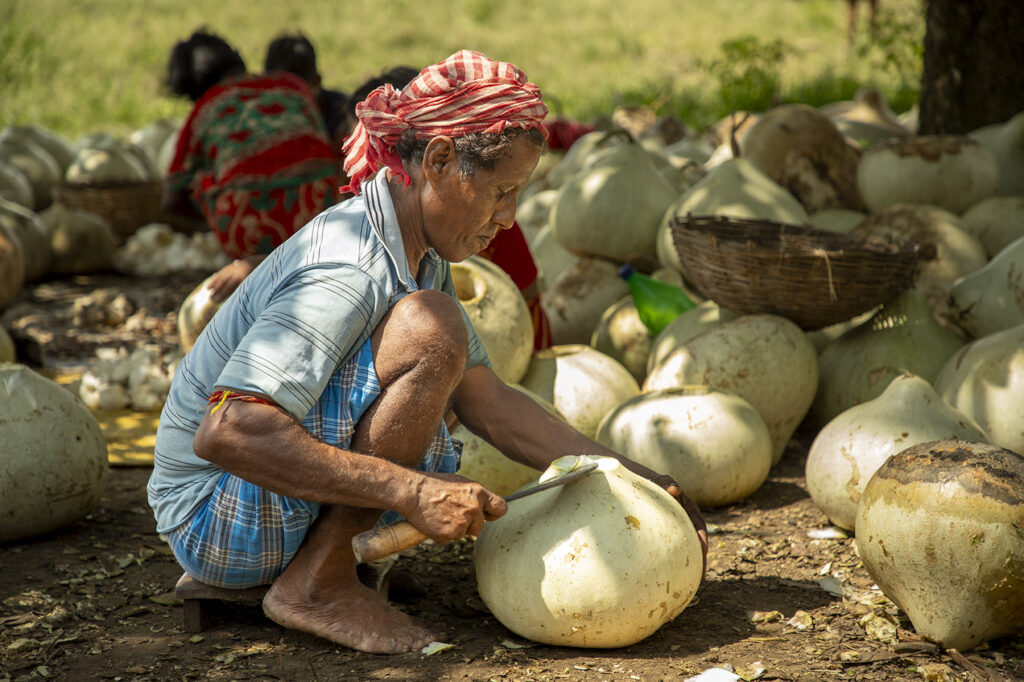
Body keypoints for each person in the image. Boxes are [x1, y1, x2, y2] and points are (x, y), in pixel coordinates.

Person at [147, 49, 708, 655]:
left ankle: (326, 563)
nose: (509, 218)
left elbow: (487, 402)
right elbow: (228, 431)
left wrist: (630, 475)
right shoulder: (348, 265)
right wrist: (410, 492)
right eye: (500, 191)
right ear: (439, 160)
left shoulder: (416, 251)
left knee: (436, 333)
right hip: (211, 516)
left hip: (248, 501)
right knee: (433, 328)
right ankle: (317, 581)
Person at [163, 29, 340, 302]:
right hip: (320, 218)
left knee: (202, 179)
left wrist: (206, 222)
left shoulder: (205, 108)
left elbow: (172, 197)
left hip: (247, 229)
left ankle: (250, 263)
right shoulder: (290, 85)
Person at [264, 32, 350, 150]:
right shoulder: (262, 119)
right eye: (282, 96)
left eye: (296, 97)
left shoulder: (347, 118)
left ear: (316, 82)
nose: (290, 105)